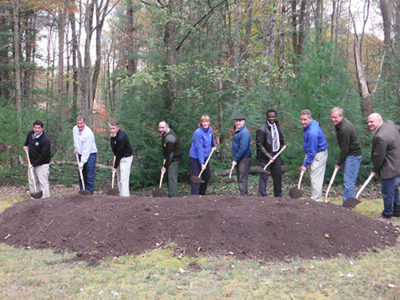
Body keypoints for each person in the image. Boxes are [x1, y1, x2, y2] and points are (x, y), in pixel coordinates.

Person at [367, 113, 400, 220]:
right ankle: (397, 210)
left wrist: (375, 169)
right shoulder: (390, 124)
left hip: (389, 167)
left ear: (379, 120)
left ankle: (387, 215)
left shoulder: (380, 137)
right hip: (397, 163)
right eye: (368, 121)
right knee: (394, 189)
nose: (369, 124)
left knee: (387, 192)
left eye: (372, 121)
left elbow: (378, 156)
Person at [330, 107, 362, 205]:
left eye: (335, 117)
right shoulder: (340, 124)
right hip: (350, 155)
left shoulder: (344, 128)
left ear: (341, 116)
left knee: (349, 182)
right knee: (349, 181)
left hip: (353, 156)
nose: (333, 119)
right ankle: (350, 203)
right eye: (332, 117)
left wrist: (338, 163)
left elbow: (345, 149)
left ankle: (348, 206)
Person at [256, 109, 287, 197]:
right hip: (266, 157)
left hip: (276, 155)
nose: (271, 118)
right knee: (264, 177)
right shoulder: (261, 129)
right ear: (267, 117)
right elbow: (259, 145)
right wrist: (268, 156)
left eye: (273, 116)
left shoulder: (276, 125)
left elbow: (280, 135)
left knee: (277, 176)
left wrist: (284, 142)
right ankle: (262, 196)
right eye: (269, 116)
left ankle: (278, 196)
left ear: (275, 117)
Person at [300, 109, 328, 202]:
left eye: (305, 120)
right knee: (314, 176)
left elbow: (312, 151)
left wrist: (305, 164)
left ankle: (316, 201)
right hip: (312, 152)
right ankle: (315, 198)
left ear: (310, 119)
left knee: (316, 178)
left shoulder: (312, 132)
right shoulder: (312, 124)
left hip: (318, 155)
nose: (303, 122)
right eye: (302, 119)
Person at [23, 120, 51, 198]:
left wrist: (34, 164)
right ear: (33, 128)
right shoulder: (31, 134)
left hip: (42, 164)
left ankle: (45, 200)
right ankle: (34, 199)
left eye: (39, 128)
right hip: (31, 163)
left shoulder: (45, 140)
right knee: (32, 182)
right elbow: (26, 143)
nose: (37, 130)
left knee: (43, 183)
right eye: (35, 128)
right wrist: (25, 146)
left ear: (42, 129)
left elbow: (43, 156)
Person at [190, 115, 216, 195]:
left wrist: (213, 145)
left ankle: (202, 194)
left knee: (206, 176)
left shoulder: (210, 130)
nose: (205, 123)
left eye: (207, 121)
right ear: (201, 123)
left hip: (206, 156)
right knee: (196, 177)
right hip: (195, 157)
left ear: (209, 122)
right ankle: (195, 196)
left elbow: (211, 138)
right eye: (203, 122)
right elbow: (199, 149)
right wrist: (201, 163)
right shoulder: (198, 133)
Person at [73, 115, 97, 194]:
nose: (79, 125)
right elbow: (76, 140)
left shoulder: (88, 133)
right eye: (78, 123)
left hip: (90, 154)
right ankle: (82, 194)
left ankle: (90, 195)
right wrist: (76, 148)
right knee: (81, 175)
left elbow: (87, 150)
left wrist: (82, 163)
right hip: (80, 154)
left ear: (85, 123)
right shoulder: (75, 129)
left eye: (81, 123)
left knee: (89, 176)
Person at [158, 120, 183, 197]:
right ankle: (170, 195)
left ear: (167, 127)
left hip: (174, 160)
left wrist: (164, 166)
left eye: (163, 127)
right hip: (170, 158)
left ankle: (173, 197)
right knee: (169, 178)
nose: (161, 129)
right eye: (159, 128)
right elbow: (167, 152)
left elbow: (170, 155)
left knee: (172, 178)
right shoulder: (165, 134)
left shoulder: (170, 138)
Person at [109, 121, 133, 197]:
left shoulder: (121, 137)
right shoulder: (113, 136)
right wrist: (116, 164)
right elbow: (115, 150)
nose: (112, 130)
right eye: (111, 128)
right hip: (119, 157)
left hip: (126, 158)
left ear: (117, 128)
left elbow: (119, 152)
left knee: (124, 179)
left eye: (114, 128)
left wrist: (115, 166)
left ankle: (125, 196)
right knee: (119, 178)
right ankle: (121, 196)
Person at [231, 114, 252, 195]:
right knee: (239, 177)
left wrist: (235, 159)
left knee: (242, 178)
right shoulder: (237, 130)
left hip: (244, 158)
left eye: (240, 121)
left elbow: (243, 147)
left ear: (244, 122)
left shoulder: (244, 132)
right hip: (239, 157)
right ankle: (242, 195)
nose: (238, 123)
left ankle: (244, 197)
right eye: (236, 121)